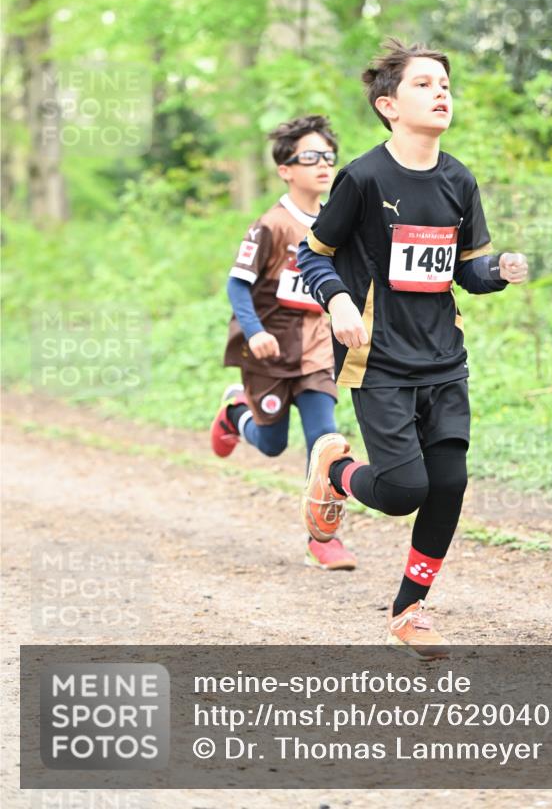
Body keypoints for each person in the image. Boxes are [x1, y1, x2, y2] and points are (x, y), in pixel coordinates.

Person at [297, 40, 528, 656]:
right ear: (389, 105)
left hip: (444, 360)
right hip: (381, 361)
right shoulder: (364, 177)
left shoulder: (458, 179)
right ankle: (336, 471)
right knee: (402, 493)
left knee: (448, 482)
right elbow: (311, 255)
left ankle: (410, 608)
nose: (441, 92)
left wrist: (500, 269)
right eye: (424, 84)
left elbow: (466, 274)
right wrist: (339, 301)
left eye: (444, 83)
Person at [211, 115, 356, 572]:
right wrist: (254, 331)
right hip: (269, 354)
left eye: (328, 157)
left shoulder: (335, 224)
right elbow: (237, 286)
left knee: (323, 443)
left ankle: (323, 537)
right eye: (309, 157)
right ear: (285, 169)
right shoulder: (270, 226)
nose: (322, 165)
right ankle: (236, 412)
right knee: (272, 444)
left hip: (316, 351)